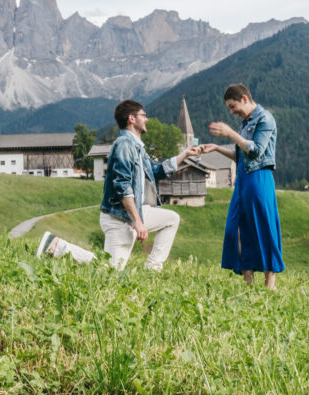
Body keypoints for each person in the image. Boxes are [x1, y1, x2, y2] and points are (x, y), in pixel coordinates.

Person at [200, 83, 284, 290]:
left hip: (259, 178)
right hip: (243, 180)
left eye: (232, 106)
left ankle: (269, 282)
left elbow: (255, 151)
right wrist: (218, 148)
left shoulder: (265, 119)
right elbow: (241, 154)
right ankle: (248, 279)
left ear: (244, 99)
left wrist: (230, 134)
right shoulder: (245, 123)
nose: (231, 111)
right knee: (236, 228)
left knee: (263, 227)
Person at [99, 99, 200, 270]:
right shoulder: (124, 145)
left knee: (171, 219)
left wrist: (185, 154)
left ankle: (153, 268)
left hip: (134, 213)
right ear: (131, 118)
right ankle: (58, 247)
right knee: (111, 272)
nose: (146, 119)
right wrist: (138, 222)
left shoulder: (138, 148)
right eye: (143, 115)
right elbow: (123, 186)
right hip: (119, 218)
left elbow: (156, 170)